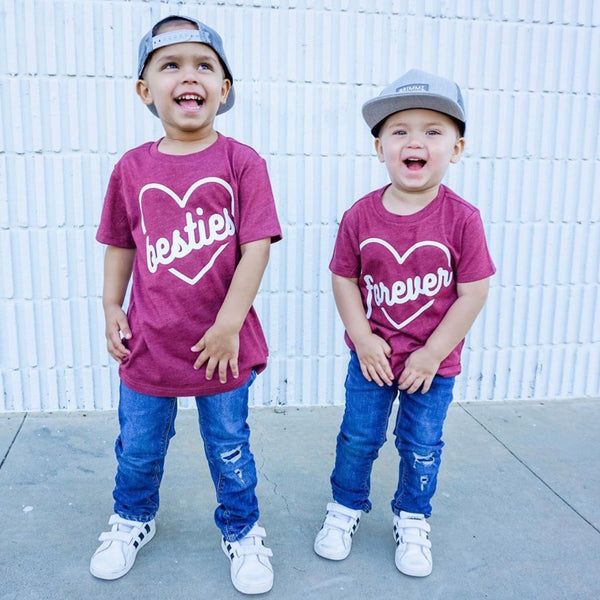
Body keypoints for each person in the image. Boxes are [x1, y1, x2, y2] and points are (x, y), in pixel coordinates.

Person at [90, 15, 281, 595]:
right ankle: (132, 518)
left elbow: (255, 248)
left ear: (224, 88)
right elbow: (121, 242)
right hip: (150, 342)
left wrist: (228, 325)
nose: (188, 76)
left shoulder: (242, 162)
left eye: (204, 65)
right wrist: (111, 305)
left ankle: (242, 529)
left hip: (222, 346)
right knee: (138, 448)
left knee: (229, 447)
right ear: (145, 90)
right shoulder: (132, 168)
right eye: (170, 65)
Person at [314, 69, 495, 577]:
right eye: (400, 131)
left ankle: (412, 516)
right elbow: (344, 278)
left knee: (421, 445)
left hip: (432, 367)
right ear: (380, 148)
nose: (415, 142)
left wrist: (432, 354)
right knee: (358, 438)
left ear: (456, 149)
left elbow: (474, 291)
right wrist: (362, 338)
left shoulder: (463, 219)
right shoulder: (360, 216)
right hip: (372, 361)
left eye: (433, 131)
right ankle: (345, 507)